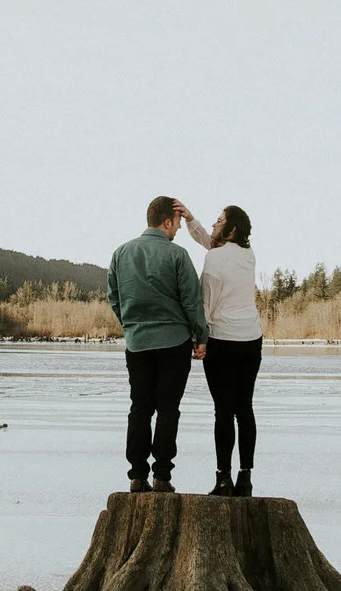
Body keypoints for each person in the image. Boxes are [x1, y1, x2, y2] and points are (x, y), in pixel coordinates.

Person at [105, 195, 207, 493]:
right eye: (176, 223)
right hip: (174, 342)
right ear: (167, 221)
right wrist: (200, 337)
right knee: (168, 409)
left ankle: (137, 475)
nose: (176, 229)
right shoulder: (177, 255)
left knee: (140, 408)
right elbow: (192, 301)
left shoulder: (121, 253)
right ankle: (162, 476)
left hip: (137, 343)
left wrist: (130, 326)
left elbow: (114, 297)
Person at [178, 202, 262, 496]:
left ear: (231, 229)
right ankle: (245, 477)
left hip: (223, 340)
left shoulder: (213, 260)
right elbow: (212, 243)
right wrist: (191, 220)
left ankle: (223, 479)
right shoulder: (248, 255)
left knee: (223, 411)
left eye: (219, 220)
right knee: (245, 408)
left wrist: (198, 338)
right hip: (251, 338)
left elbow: (205, 304)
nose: (214, 224)